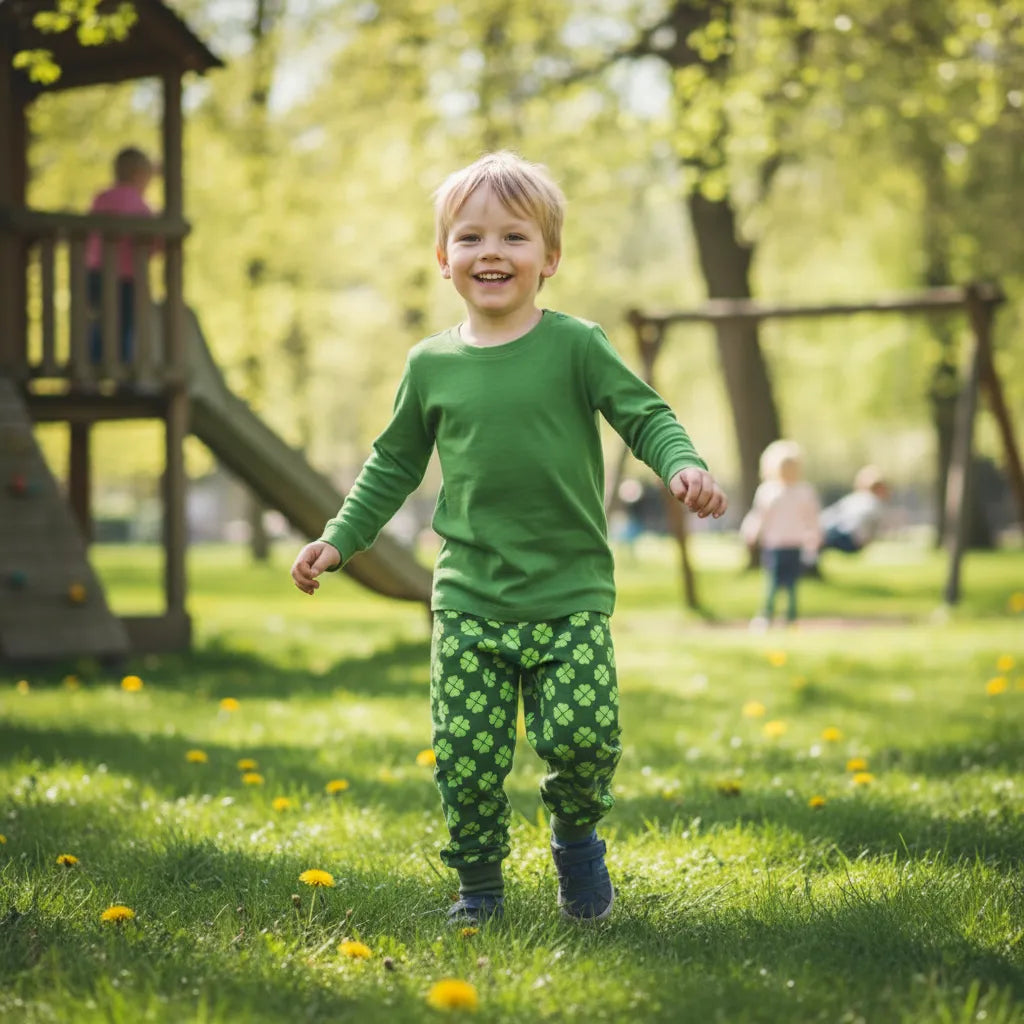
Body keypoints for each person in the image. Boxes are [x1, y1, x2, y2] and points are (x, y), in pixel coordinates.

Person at [290, 151, 727, 926]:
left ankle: (576, 836)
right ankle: (481, 891)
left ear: (549, 257)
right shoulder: (429, 365)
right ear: (444, 258)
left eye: (514, 237)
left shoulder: (576, 346)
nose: (491, 252)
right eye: (471, 238)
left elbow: (644, 415)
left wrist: (681, 462)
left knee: (584, 737)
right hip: (469, 598)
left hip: (569, 594)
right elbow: (392, 465)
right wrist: (338, 539)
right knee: (466, 754)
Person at [85, 146, 156, 366]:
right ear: (138, 175)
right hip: (125, 277)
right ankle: (123, 370)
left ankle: (91, 368)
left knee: (98, 322)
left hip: (95, 272)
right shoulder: (136, 202)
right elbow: (152, 240)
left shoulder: (102, 198)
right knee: (125, 325)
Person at [740, 440, 821, 628]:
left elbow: (812, 518)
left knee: (792, 584)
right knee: (773, 582)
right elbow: (759, 516)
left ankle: (790, 616)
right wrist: (751, 532)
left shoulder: (804, 492)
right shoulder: (768, 491)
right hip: (774, 544)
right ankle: (767, 614)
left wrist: (814, 536)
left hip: (794, 543)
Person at [819, 465, 890, 555]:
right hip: (853, 539)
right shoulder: (870, 502)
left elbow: (835, 513)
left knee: (819, 535)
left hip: (850, 539)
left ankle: (809, 561)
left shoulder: (864, 500)